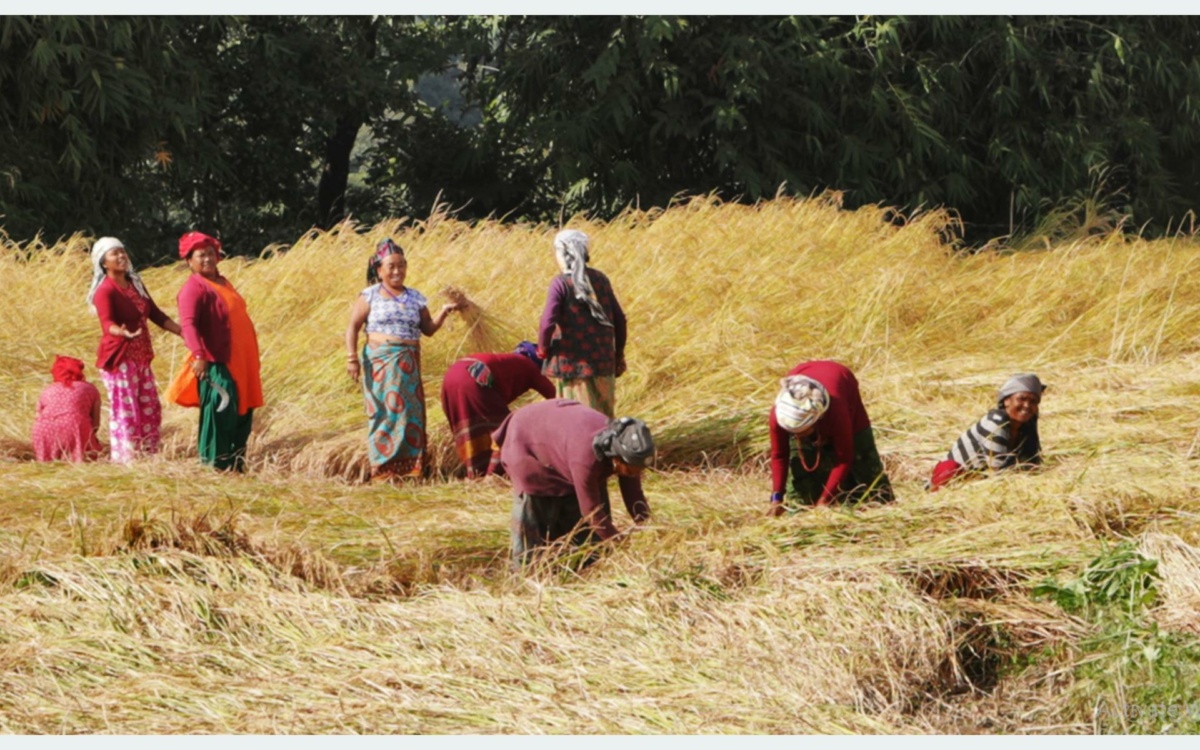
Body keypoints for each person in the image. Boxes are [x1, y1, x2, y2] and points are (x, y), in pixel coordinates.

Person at [344, 239, 460, 481]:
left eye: (402, 266)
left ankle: (410, 470)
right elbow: (353, 327)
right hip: (381, 362)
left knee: (410, 414)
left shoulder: (416, 297)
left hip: (409, 364)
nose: (397, 271)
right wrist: (351, 358)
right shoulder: (370, 295)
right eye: (391, 266)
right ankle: (383, 470)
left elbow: (427, 329)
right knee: (384, 412)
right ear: (379, 270)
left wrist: (445, 311)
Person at [493, 398, 653, 569]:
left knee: (587, 536)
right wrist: (619, 543)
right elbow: (591, 511)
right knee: (537, 523)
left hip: (563, 439)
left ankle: (582, 564)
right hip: (526, 441)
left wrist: (649, 530)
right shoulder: (588, 459)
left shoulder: (628, 449)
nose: (635, 473)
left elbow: (633, 494)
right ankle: (526, 576)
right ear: (616, 457)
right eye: (631, 469)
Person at [164, 232, 263, 471]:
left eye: (211, 253)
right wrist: (199, 355)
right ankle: (214, 468)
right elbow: (188, 325)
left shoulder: (223, 282)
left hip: (242, 361)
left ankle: (236, 466)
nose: (207, 259)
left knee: (242, 413)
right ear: (189, 261)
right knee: (220, 412)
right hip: (217, 362)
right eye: (201, 255)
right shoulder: (193, 289)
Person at [86, 236, 182, 464]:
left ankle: (148, 456)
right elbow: (107, 323)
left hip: (141, 357)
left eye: (122, 252)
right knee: (126, 411)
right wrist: (122, 332)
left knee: (149, 407)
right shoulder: (105, 291)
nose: (121, 256)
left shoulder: (135, 283)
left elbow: (155, 314)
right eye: (114, 254)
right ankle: (127, 460)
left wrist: (182, 331)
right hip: (120, 358)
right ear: (103, 263)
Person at [767, 360, 893, 514]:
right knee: (801, 482)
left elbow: (844, 459)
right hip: (806, 374)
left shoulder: (837, 412)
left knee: (863, 462)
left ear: (816, 420)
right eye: (793, 432)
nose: (796, 436)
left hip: (841, 382)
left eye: (801, 431)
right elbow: (779, 455)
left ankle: (876, 505)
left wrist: (824, 501)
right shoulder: (781, 414)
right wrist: (777, 497)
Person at [537, 229, 628, 417]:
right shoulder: (600, 279)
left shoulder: (561, 284)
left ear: (563, 253)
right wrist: (618, 354)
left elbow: (547, 322)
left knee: (576, 419)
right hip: (604, 362)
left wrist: (542, 349)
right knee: (604, 418)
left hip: (573, 366)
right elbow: (619, 319)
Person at [439, 342, 556, 479]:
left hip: (451, 377)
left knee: (470, 431)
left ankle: (476, 474)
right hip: (474, 379)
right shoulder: (530, 366)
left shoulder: (508, 362)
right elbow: (554, 395)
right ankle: (495, 475)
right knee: (504, 432)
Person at [928, 374, 1046, 491]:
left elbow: (1030, 466)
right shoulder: (996, 423)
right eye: (1021, 399)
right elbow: (998, 469)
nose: (1027, 406)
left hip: (983, 480)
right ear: (1007, 401)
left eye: (1033, 402)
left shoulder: (1026, 427)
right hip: (955, 479)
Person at [32, 356, 103, 462]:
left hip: (44, 432)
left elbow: (38, 416)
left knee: (48, 467)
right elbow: (96, 424)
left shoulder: (48, 390)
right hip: (76, 428)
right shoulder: (90, 389)